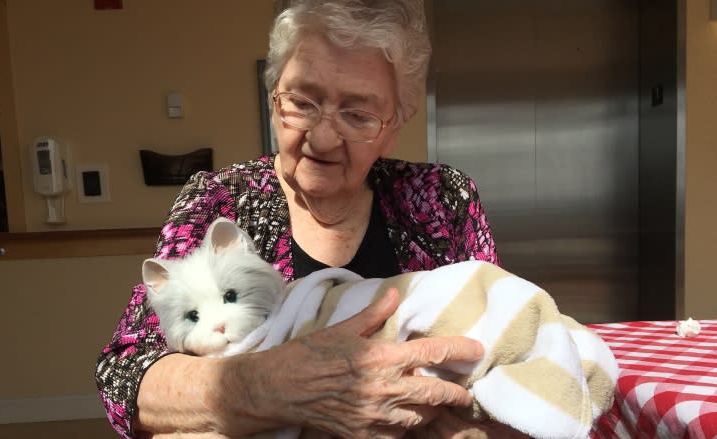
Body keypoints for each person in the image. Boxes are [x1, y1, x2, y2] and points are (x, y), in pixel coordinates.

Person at [96, 0, 521, 437]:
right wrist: (281, 386)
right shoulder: (222, 200)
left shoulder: (440, 198)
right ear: (273, 98)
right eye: (302, 102)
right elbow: (126, 376)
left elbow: (506, 340)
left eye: (358, 114)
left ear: (395, 124)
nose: (321, 137)